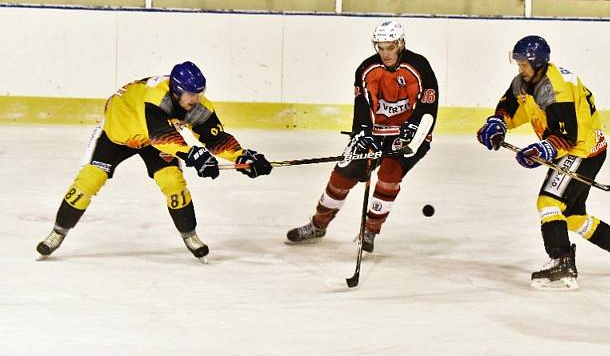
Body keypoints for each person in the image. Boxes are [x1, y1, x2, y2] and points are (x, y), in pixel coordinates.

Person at [35, 61, 272, 263]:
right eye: (192, 94)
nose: (197, 99)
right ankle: (58, 232)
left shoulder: (195, 104)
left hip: (150, 139)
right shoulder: (156, 99)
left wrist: (241, 157)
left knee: (173, 183)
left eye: (200, 92)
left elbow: (216, 138)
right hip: (115, 135)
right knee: (89, 181)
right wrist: (193, 155)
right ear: (177, 91)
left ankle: (190, 235)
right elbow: (163, 137)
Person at [476, 35, 610, 290]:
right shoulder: (525, 81)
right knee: (572, 214)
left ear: (539, 63)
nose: (520, 69)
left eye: (524, 64)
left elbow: (567, 136)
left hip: (581, 150)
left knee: (548, 202)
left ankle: (561, 262)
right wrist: (498, 124)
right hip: (585, 149)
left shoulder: (557, 89)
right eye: (519, 64)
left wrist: (543, 150)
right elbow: (511, 108)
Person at [285, 20, 438, 253]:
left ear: (400, 44)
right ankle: (318, 225)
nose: (386, 53)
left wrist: (412, 129)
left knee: (390, 173)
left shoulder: (419, 66)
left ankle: (370, 230)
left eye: (390, 47)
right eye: (381, 47)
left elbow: (428, 106)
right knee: (343, 174)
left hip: (412, 136)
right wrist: (363, 132)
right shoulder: (367, 69)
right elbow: (363, 105)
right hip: (376, 133)